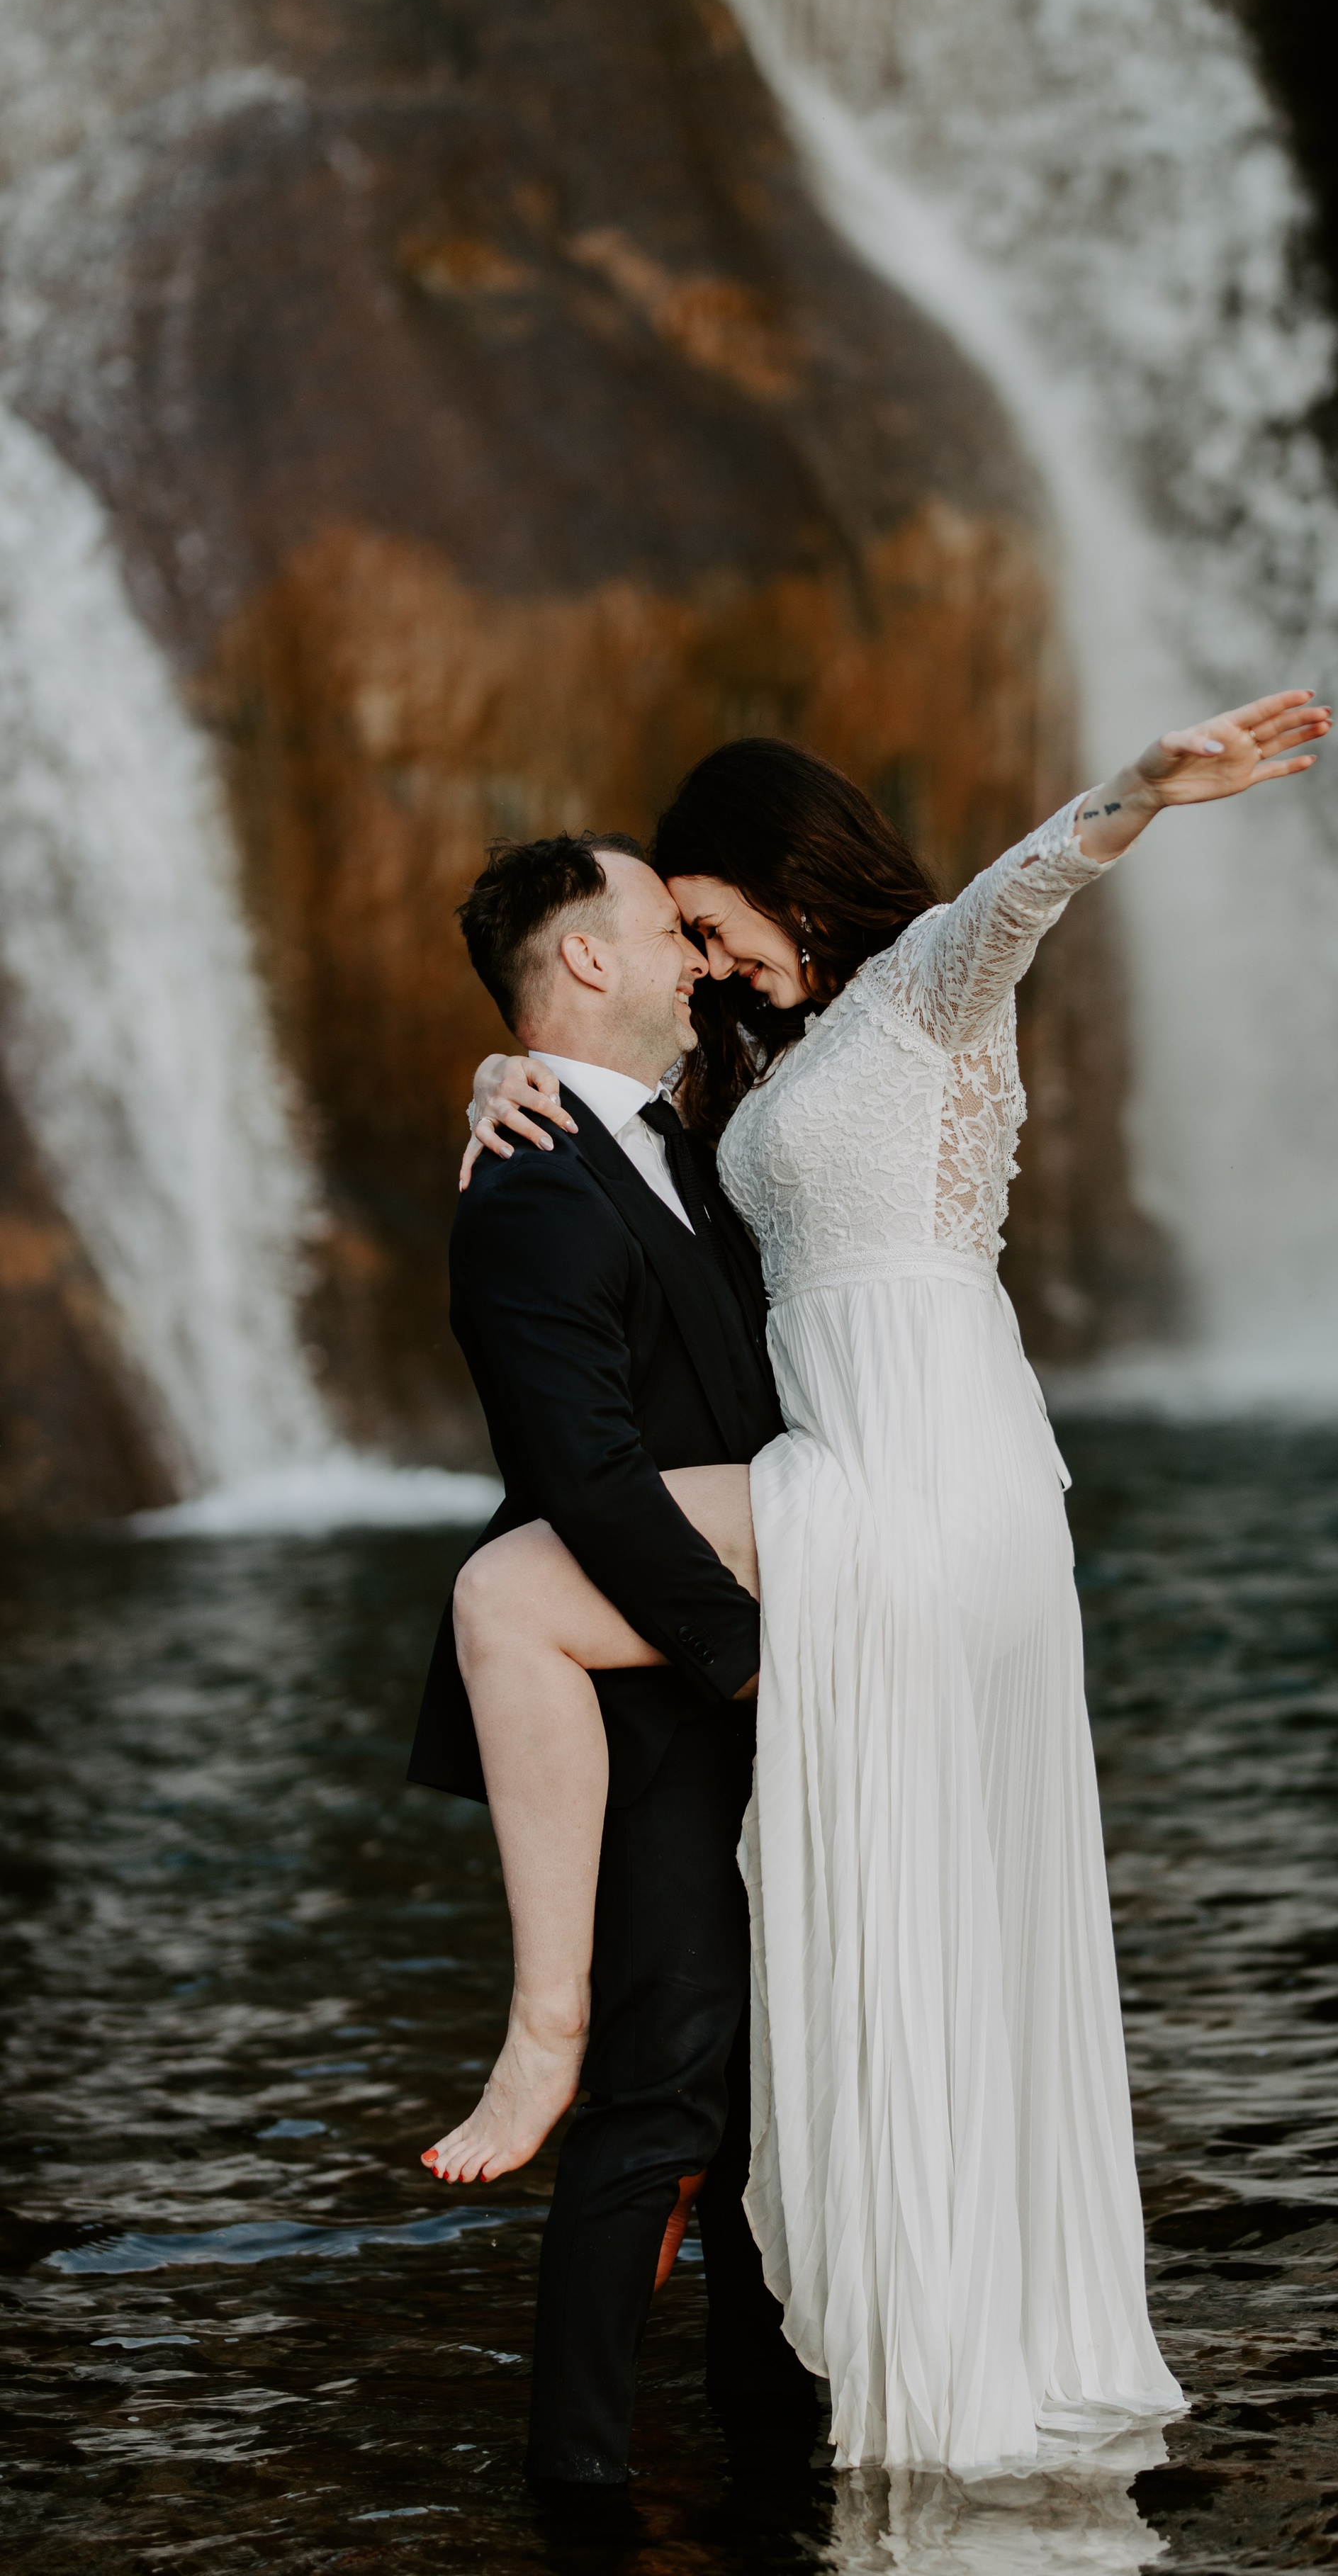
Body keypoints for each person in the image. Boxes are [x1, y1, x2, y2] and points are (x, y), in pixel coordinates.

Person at [446, 690, 1330, 2475]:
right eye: (672, 938)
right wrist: (502, 1064)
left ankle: (545, 2030)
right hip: (864, 1462)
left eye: (712, 921)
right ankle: (904, 2349)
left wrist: (1134, 792)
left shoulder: (926, 989)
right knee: (896, 1919)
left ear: (787, 876)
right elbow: (625, 1136)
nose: (698, 961)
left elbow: (1011, 899)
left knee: (509, 1591)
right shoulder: (754, 1071)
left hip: (916, 1463)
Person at [405, 829, 819, 2492]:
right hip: (642, 1699)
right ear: (585, 959)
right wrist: (746, 1667)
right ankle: (577, 2491)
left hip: (735, 1660)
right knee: (657, 2098)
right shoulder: (527, 1184)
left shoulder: (682, 1148)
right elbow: (584, 1477)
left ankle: (767, 2446)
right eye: (665, 928)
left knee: (751, 2107)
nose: (695, 956)